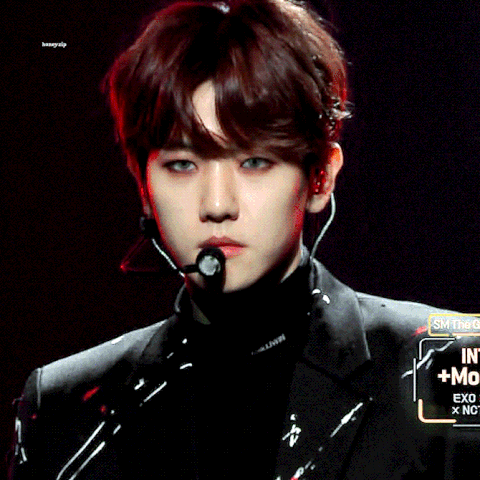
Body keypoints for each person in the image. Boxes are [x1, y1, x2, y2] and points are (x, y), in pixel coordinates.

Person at [8, 0, 479, 478]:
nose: (217, 204)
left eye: (254, 161)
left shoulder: (447, 362)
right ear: (143, 185)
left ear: (320, 176)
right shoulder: (65, 407)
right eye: (182, 165)